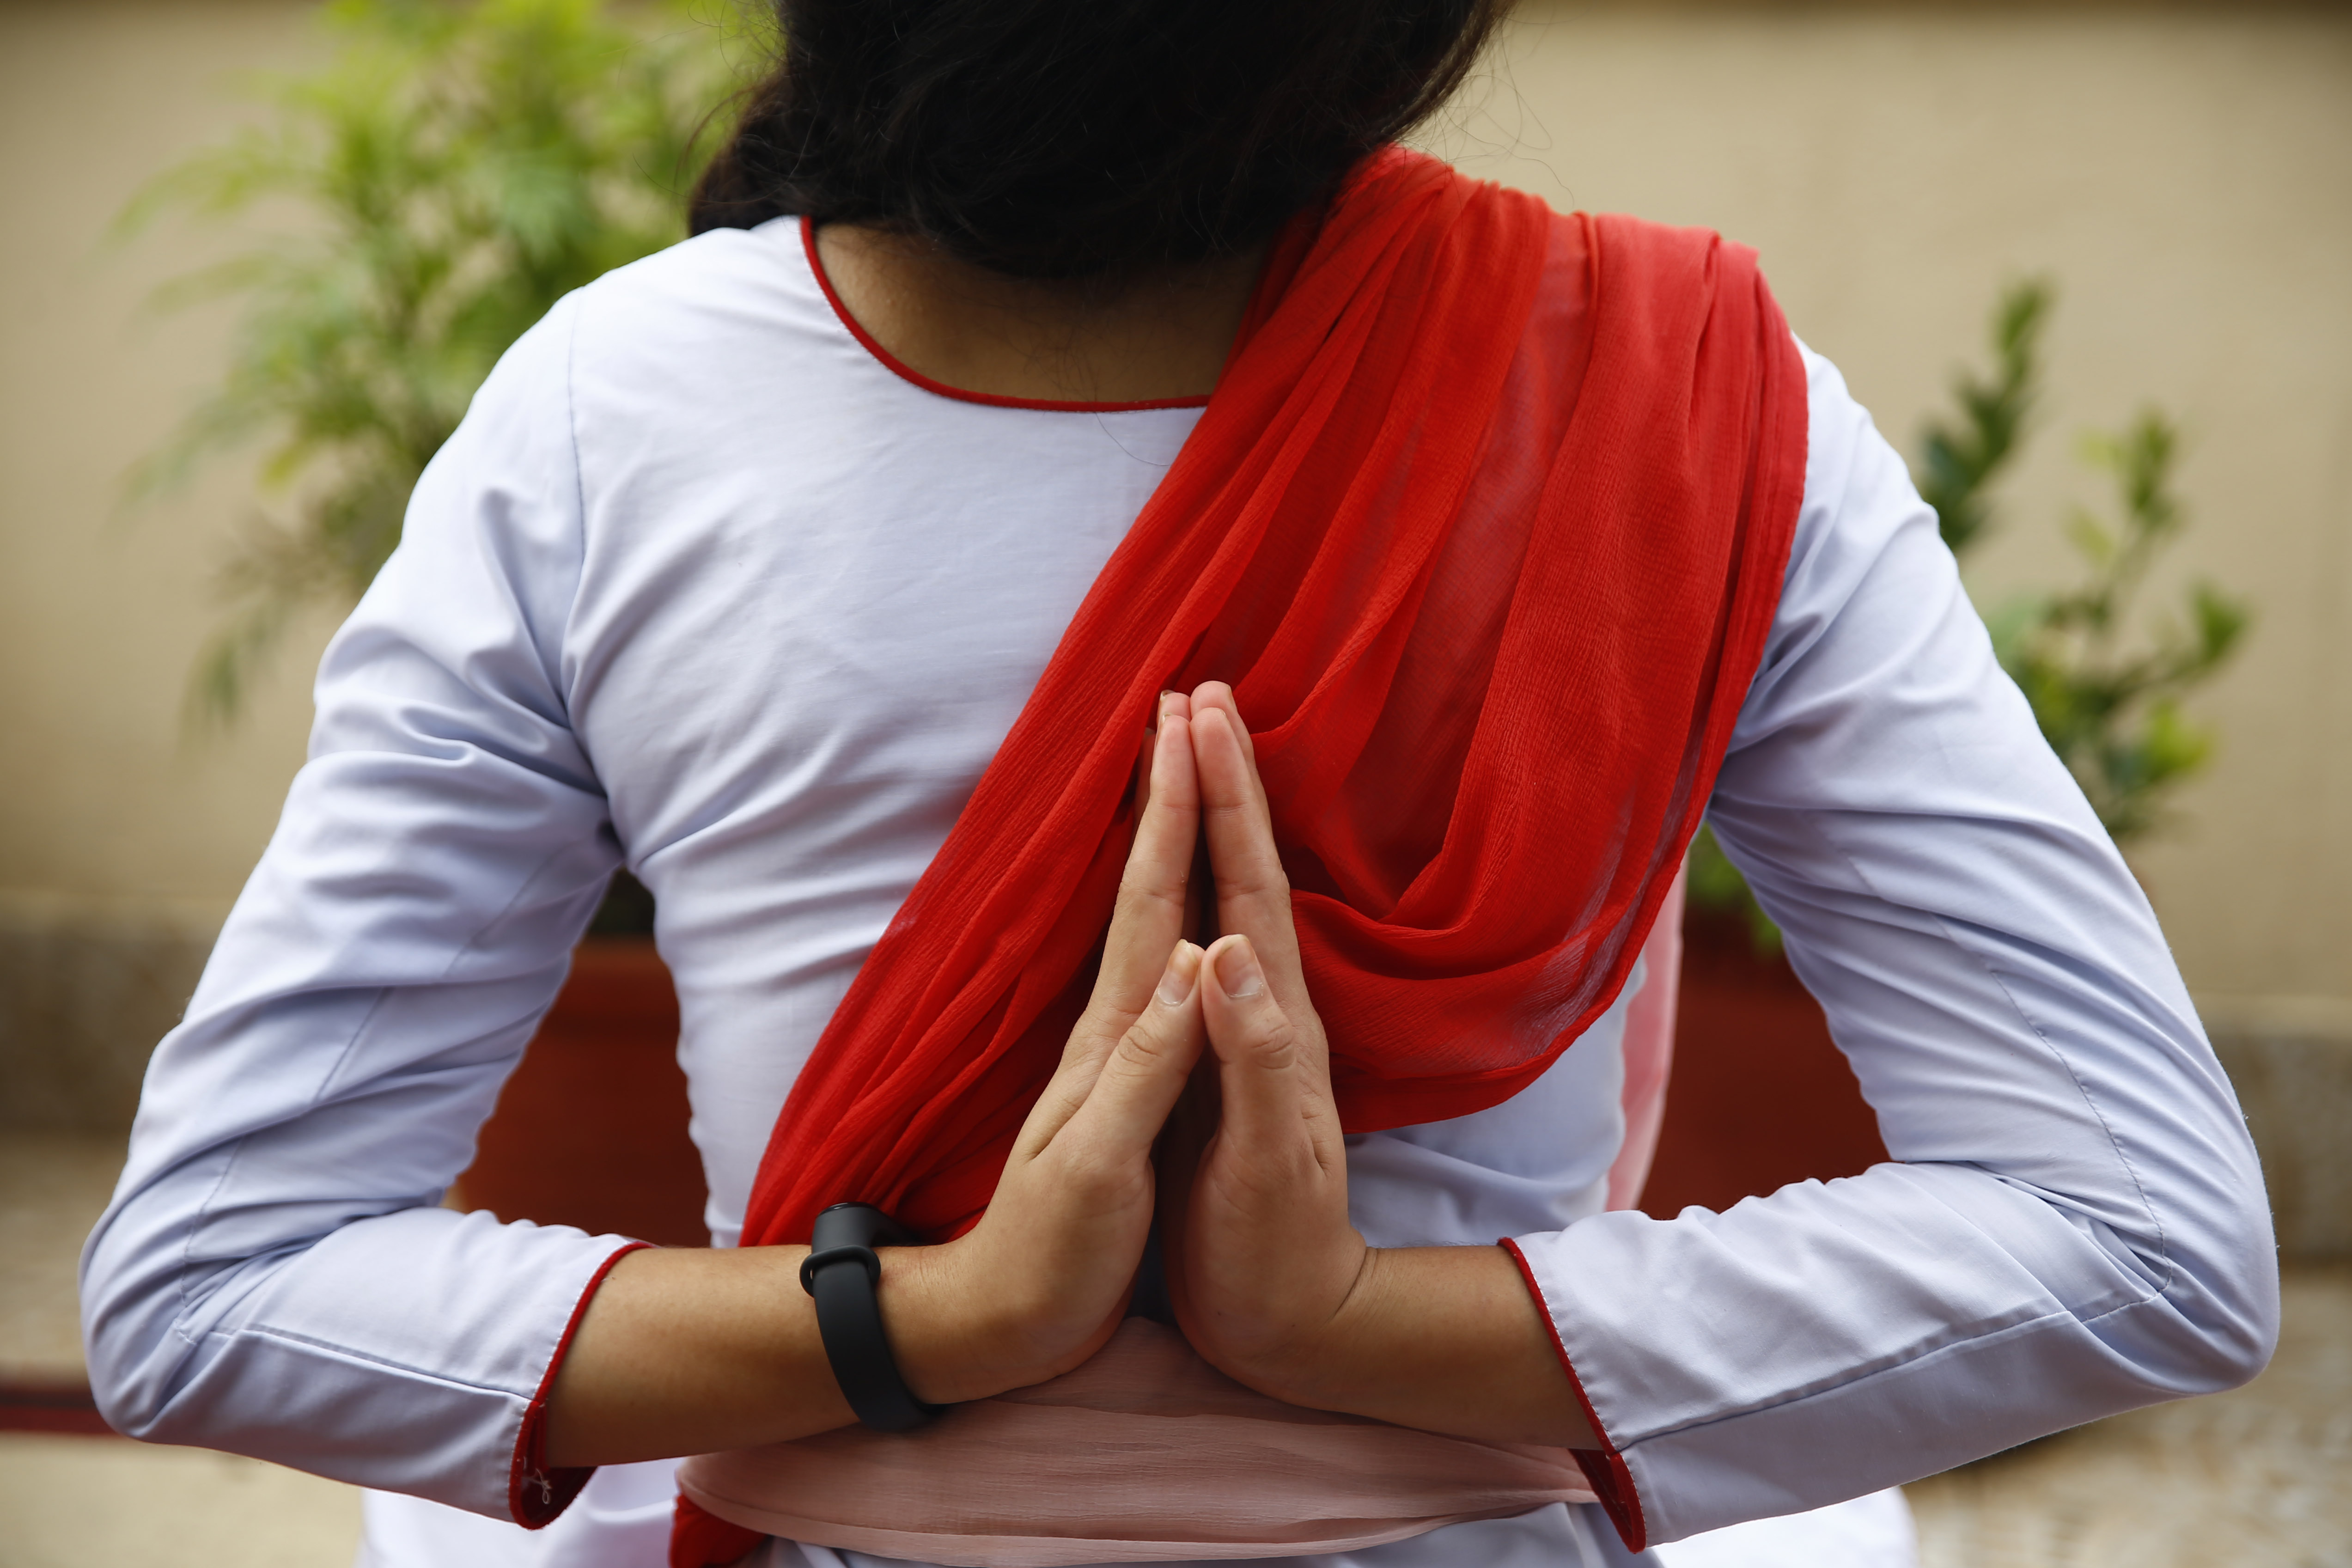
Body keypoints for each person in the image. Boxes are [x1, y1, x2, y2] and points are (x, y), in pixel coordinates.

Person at [80, 3, 2277, 1567]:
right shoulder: (1679, 400)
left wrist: (909, 1325)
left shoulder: (613, 415)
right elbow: (2136, 1248)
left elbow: (214, 1293)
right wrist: (1354, 1334)